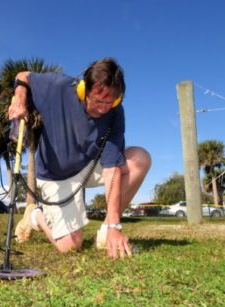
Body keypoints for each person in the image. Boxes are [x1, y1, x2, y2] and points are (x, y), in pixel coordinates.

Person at [8, 57, 151, 259]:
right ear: (83, 90)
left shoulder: (115, 112)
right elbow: (22, 76)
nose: (103, 108)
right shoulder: (57, 87)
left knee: (140, 158)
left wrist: (114, 226)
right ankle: (34, 215)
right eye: (98, 100)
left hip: (88, 166)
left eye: (110, 102)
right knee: (70, 246)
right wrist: (20, 101)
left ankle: (105, 234)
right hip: (55, 175)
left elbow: (111, 169)